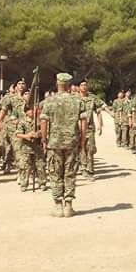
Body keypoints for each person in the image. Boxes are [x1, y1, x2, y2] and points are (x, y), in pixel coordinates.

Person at [40, 72, 86, 217]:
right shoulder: (78, 101)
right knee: (70, 173)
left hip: (54, 142)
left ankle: (58, 205)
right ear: (69, 85)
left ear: (57, 84)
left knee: (55, 173)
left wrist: (44, 139)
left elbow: (44, 121)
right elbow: (83, 122)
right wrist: (83, 140)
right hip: (72, 142)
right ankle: (69, 206)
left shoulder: (49, 101)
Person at [77, 80, 104, 178]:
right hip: (77, 128)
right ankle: (83, 167)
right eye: (82, 85)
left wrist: (100, 125)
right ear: (78, 87)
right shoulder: (75, 98)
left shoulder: (92, 98)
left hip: (89, 127)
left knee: (90, 148)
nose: (84, 86)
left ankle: (90, 169)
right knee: (80, 148)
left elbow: (98, 111)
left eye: (85, 85)